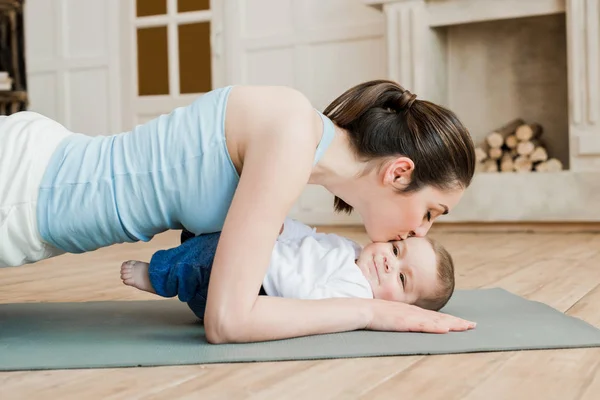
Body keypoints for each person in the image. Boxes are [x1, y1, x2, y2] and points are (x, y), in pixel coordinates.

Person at [0, 79, 476, 342]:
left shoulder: (299, 133)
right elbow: (228, 321)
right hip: (20, 192)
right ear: (398, 173)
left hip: (38, 169)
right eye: (431, 212)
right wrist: (373, 313)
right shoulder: (292, 137)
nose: (419, 232)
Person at [120, 217, 456, 320]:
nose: (388, 261)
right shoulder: (352, 250)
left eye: (401, 277)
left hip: (252, 289)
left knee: (215, 253)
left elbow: (304, 296)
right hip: (257, 260)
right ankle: (186, 247)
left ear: (396, 307)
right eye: (396, 250)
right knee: (216, 229)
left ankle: (159, 276)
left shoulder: (355, 292)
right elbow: (310, 237)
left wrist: (263, 254)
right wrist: (279, 226)